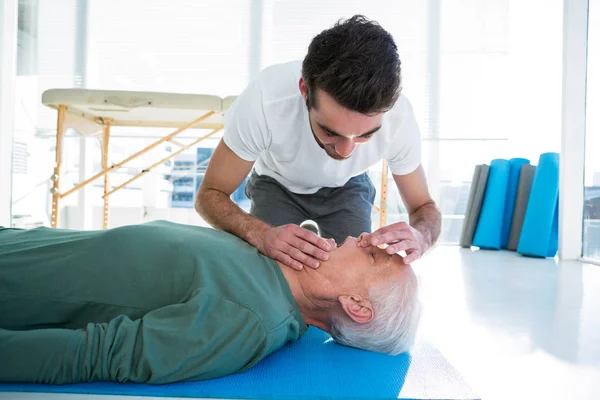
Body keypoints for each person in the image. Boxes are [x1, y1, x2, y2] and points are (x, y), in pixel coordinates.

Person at [0, 220, 421, 385]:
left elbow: (90, 354)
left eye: (371, 255)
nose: (363, 237)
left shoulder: (245, 324)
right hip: (20, 241)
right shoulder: (274, 261)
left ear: (355, 306)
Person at [195, 15, 441, 273]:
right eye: (329, 131)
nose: (345, 151)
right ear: (304, 90)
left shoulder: (399, 120)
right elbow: (210, 195)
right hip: (276, 181)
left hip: (348, 184)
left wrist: (421, 236)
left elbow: (424, 207)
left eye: (364, 135)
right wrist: (259, 233)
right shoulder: (264, 102)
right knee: (269, 273)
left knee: (352, 274)